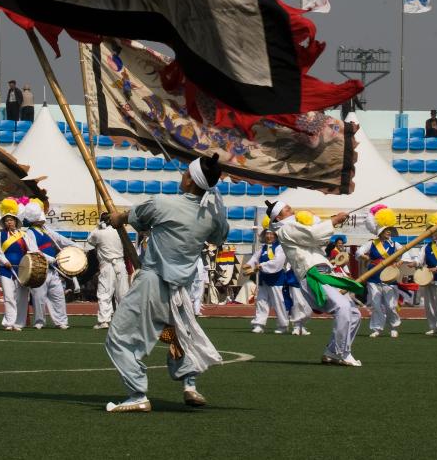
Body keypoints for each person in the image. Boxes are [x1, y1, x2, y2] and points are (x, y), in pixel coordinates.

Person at [103, 156, 229, 413]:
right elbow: (220, 234)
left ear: (191, 179)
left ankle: (137, 394)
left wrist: (117, 218)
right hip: (180, 287)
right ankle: (189, 384)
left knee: (119, 338)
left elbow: (133, 218)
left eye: (185, 173)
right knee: (179, 335)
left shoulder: (164, 203)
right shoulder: (212, 216)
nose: (181, 175)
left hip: (153, 281)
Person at [268, 200, 365, 367]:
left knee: (354, 314)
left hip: (322, 272)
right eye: (286, 209)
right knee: (343, 307)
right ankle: (342, 353)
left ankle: (332, 351)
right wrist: (333, 221)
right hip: (313, 274)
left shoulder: (293, 227)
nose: (291, 209)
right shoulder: (286, 228)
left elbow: (315, 238)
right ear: (278, 217)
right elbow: (313, 235)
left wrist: (330, 222)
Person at [23, 198, 75, 330]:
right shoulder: (29, 232)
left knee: (58, 295)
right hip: (39, 269)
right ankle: (39, 321)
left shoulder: (46, 230)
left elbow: (61, 240)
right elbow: (33, 250)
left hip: (53, 270)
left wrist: (76, 247)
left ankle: (61, 321)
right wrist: (50, 259)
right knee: (39, 297)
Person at [0, 198, 37, 331]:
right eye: (6, 220)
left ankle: (19, 323)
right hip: (6, 269)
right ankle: (9, 322)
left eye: (11, 220)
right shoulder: (1, 235)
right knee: (8, 295)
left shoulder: (24, 234)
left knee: (22, 297)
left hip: (22, 269)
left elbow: (33, 249)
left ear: (16, 221)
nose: (9, 222)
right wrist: (5, 262)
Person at [360, 206, 402, 338]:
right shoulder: (372, 243)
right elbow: (359, 252)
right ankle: (377, 328)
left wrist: (399, 262)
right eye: (386, 230)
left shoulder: (394, 245)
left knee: (390, 305)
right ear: (380, 231)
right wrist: (365, 257)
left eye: (389, 229)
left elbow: (407, 255)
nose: (388, 232)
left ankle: (394, 326)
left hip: (389, 277)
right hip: (374, 277)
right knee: (376, 304)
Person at [87, 212, 129, 329]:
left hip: (107, 265)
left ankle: (104, 320)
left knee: (105, 292)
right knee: (123, 294)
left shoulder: (98, 232)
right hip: (120, 264)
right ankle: (124, 320)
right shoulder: (120, 231)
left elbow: (90, 240)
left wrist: (97, 227)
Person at [246, 225, 289, 334]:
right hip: (263, 279)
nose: (269, 236)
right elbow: (255, 258)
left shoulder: (280, 248)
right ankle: (259, 324)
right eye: (267, 234)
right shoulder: (263, 247)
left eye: (271, 234)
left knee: (279, 303)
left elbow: (277, 262)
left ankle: (283, 325)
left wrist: (261, 266)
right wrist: (248, 264)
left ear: (276, 235)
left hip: (276, 279)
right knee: (261, 301)